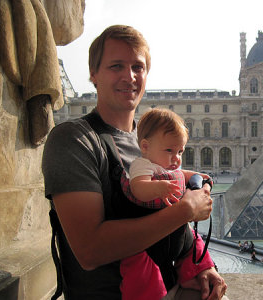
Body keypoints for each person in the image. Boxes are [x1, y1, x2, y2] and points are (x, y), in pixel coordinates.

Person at [42, 25, 227, 300]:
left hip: (168, 287)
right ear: (93, 74)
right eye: (116, 66)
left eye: (137, 67)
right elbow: (91, 250)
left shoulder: (150, 139)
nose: (129, 76)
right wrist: (186, 210)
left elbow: (166, 213)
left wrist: (199, 264)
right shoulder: (73, 140)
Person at [119, 107, 211, 298]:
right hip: (147, 244)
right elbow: (138, 188)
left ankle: (186, 274)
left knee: (187, 250)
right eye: (169, 150)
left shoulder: (168, 165)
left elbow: (182, 174)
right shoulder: (143, 165)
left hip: (173, 238)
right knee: (146, 280)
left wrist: (200, 177)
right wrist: (159, 187)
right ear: (145, 147)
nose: (176, 158)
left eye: (180, 151)